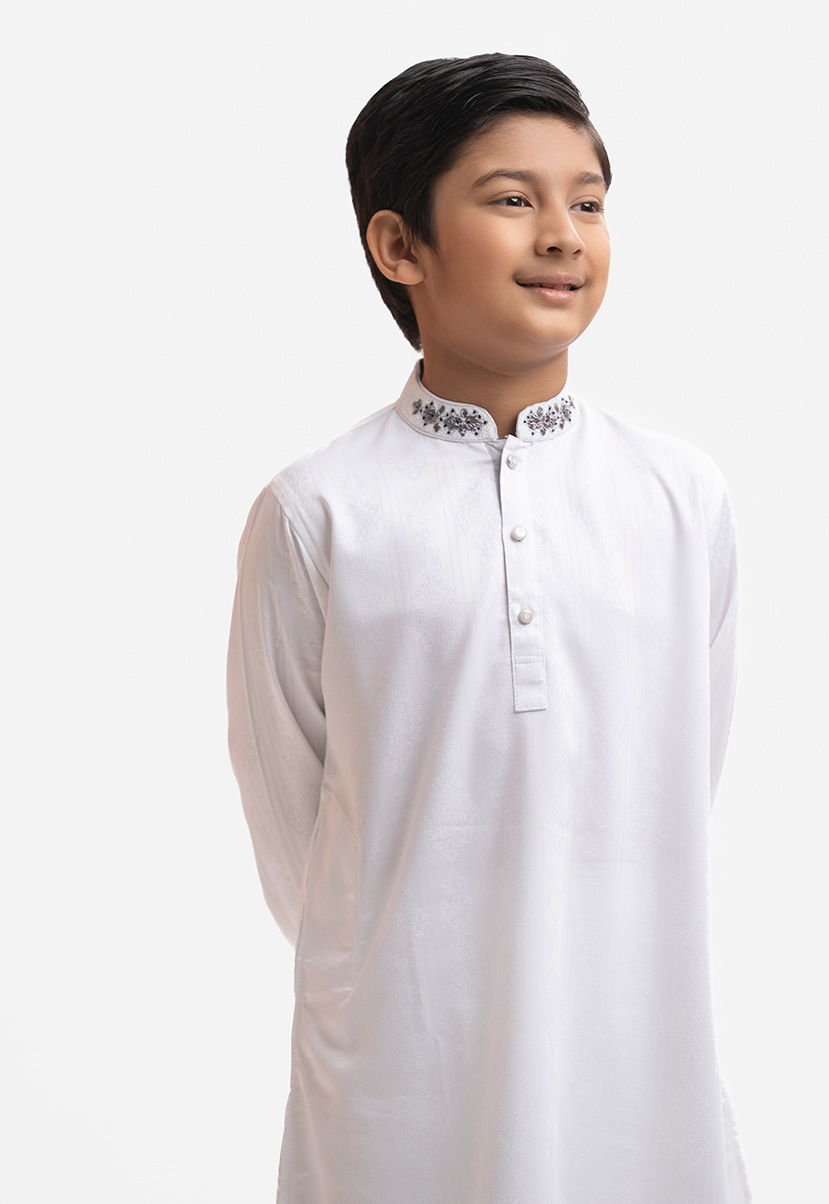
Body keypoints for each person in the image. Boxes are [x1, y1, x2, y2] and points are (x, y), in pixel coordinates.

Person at [227, 52, 751, 1204]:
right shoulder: (320, 512)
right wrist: (397, 959)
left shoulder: (679, 499)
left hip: (635, 1061)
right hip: (400, 1078)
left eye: (588, 202)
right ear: (398, 245)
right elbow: (297, 837)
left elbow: (673, 778)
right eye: (513, 198)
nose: (562, 234)